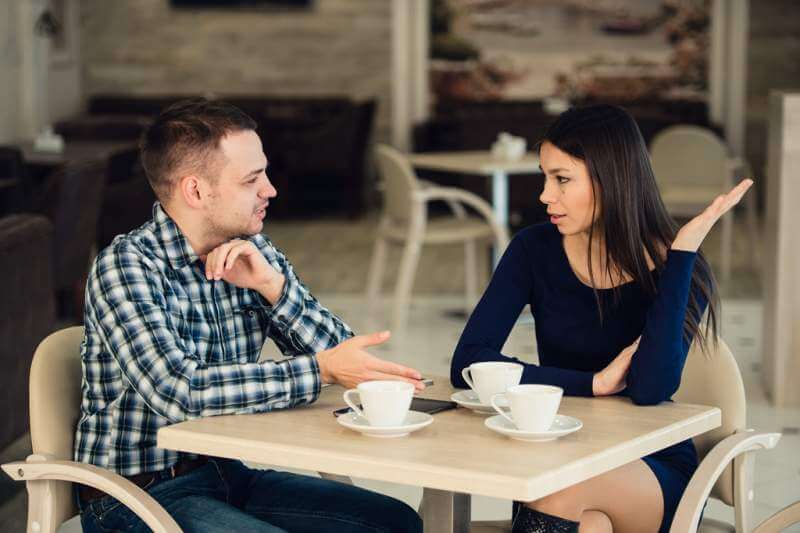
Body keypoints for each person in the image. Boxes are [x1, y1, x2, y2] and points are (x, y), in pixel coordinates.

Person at [74, 98, 424, 533]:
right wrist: (318, 372)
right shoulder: (127, 267)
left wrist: (274, 290)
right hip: (134, 494)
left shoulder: (252, 250)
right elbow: (179, 392)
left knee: (395, 521)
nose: (270, 190)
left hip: (225, 474)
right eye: (252, 179)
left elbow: (345, 355)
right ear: (196, 191)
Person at [450, 104, 753, 533]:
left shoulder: (683, 266)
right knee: (586, 522)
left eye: (562, 179)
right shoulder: (532, 250)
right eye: (544, 176)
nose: (544, 196)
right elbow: (467, 364)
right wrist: (591, 385)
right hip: (558, 452)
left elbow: (651, 388)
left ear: (611, 180)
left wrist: (681, 256)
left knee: (558, 487)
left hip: (649, 469)